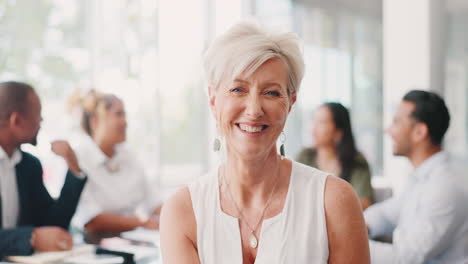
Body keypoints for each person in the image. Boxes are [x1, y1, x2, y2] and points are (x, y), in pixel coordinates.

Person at [160, 21, 370, 264]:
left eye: (271, 93)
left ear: (290, 103)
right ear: (213, 99)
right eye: (238, 89)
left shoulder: (334, 201)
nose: (254, 110)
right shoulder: (182, 211)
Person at [365, 90, 468, 263]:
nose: (388, 130)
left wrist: (349, 242)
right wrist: (355, 225)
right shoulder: (422, 177)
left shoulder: (445, 186)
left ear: (419, 132)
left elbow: (407, 257)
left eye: (396, 122)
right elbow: (387, 213)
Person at [0, 81, 87, 258]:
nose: (41, 121)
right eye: (38, 114)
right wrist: (31, 237)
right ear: (16, 120)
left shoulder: (29, 165)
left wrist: (73, 168)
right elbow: (38, 236)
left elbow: (53, 224)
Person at [70, 90, 162, 233]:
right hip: (92, 246)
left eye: (124, 115)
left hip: (133, 242)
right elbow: (91, 221)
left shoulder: (128, 155)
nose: (125, 122)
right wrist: (142, 222)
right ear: (95, 121)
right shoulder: (78, 159)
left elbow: (155, 204)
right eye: (118, 114)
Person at [296, 102, 373, 210]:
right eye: (313, 121)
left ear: (338, 131)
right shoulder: (304, 157)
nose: (313, 129)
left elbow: (364, 203)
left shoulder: (356, 161)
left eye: (321, 123)